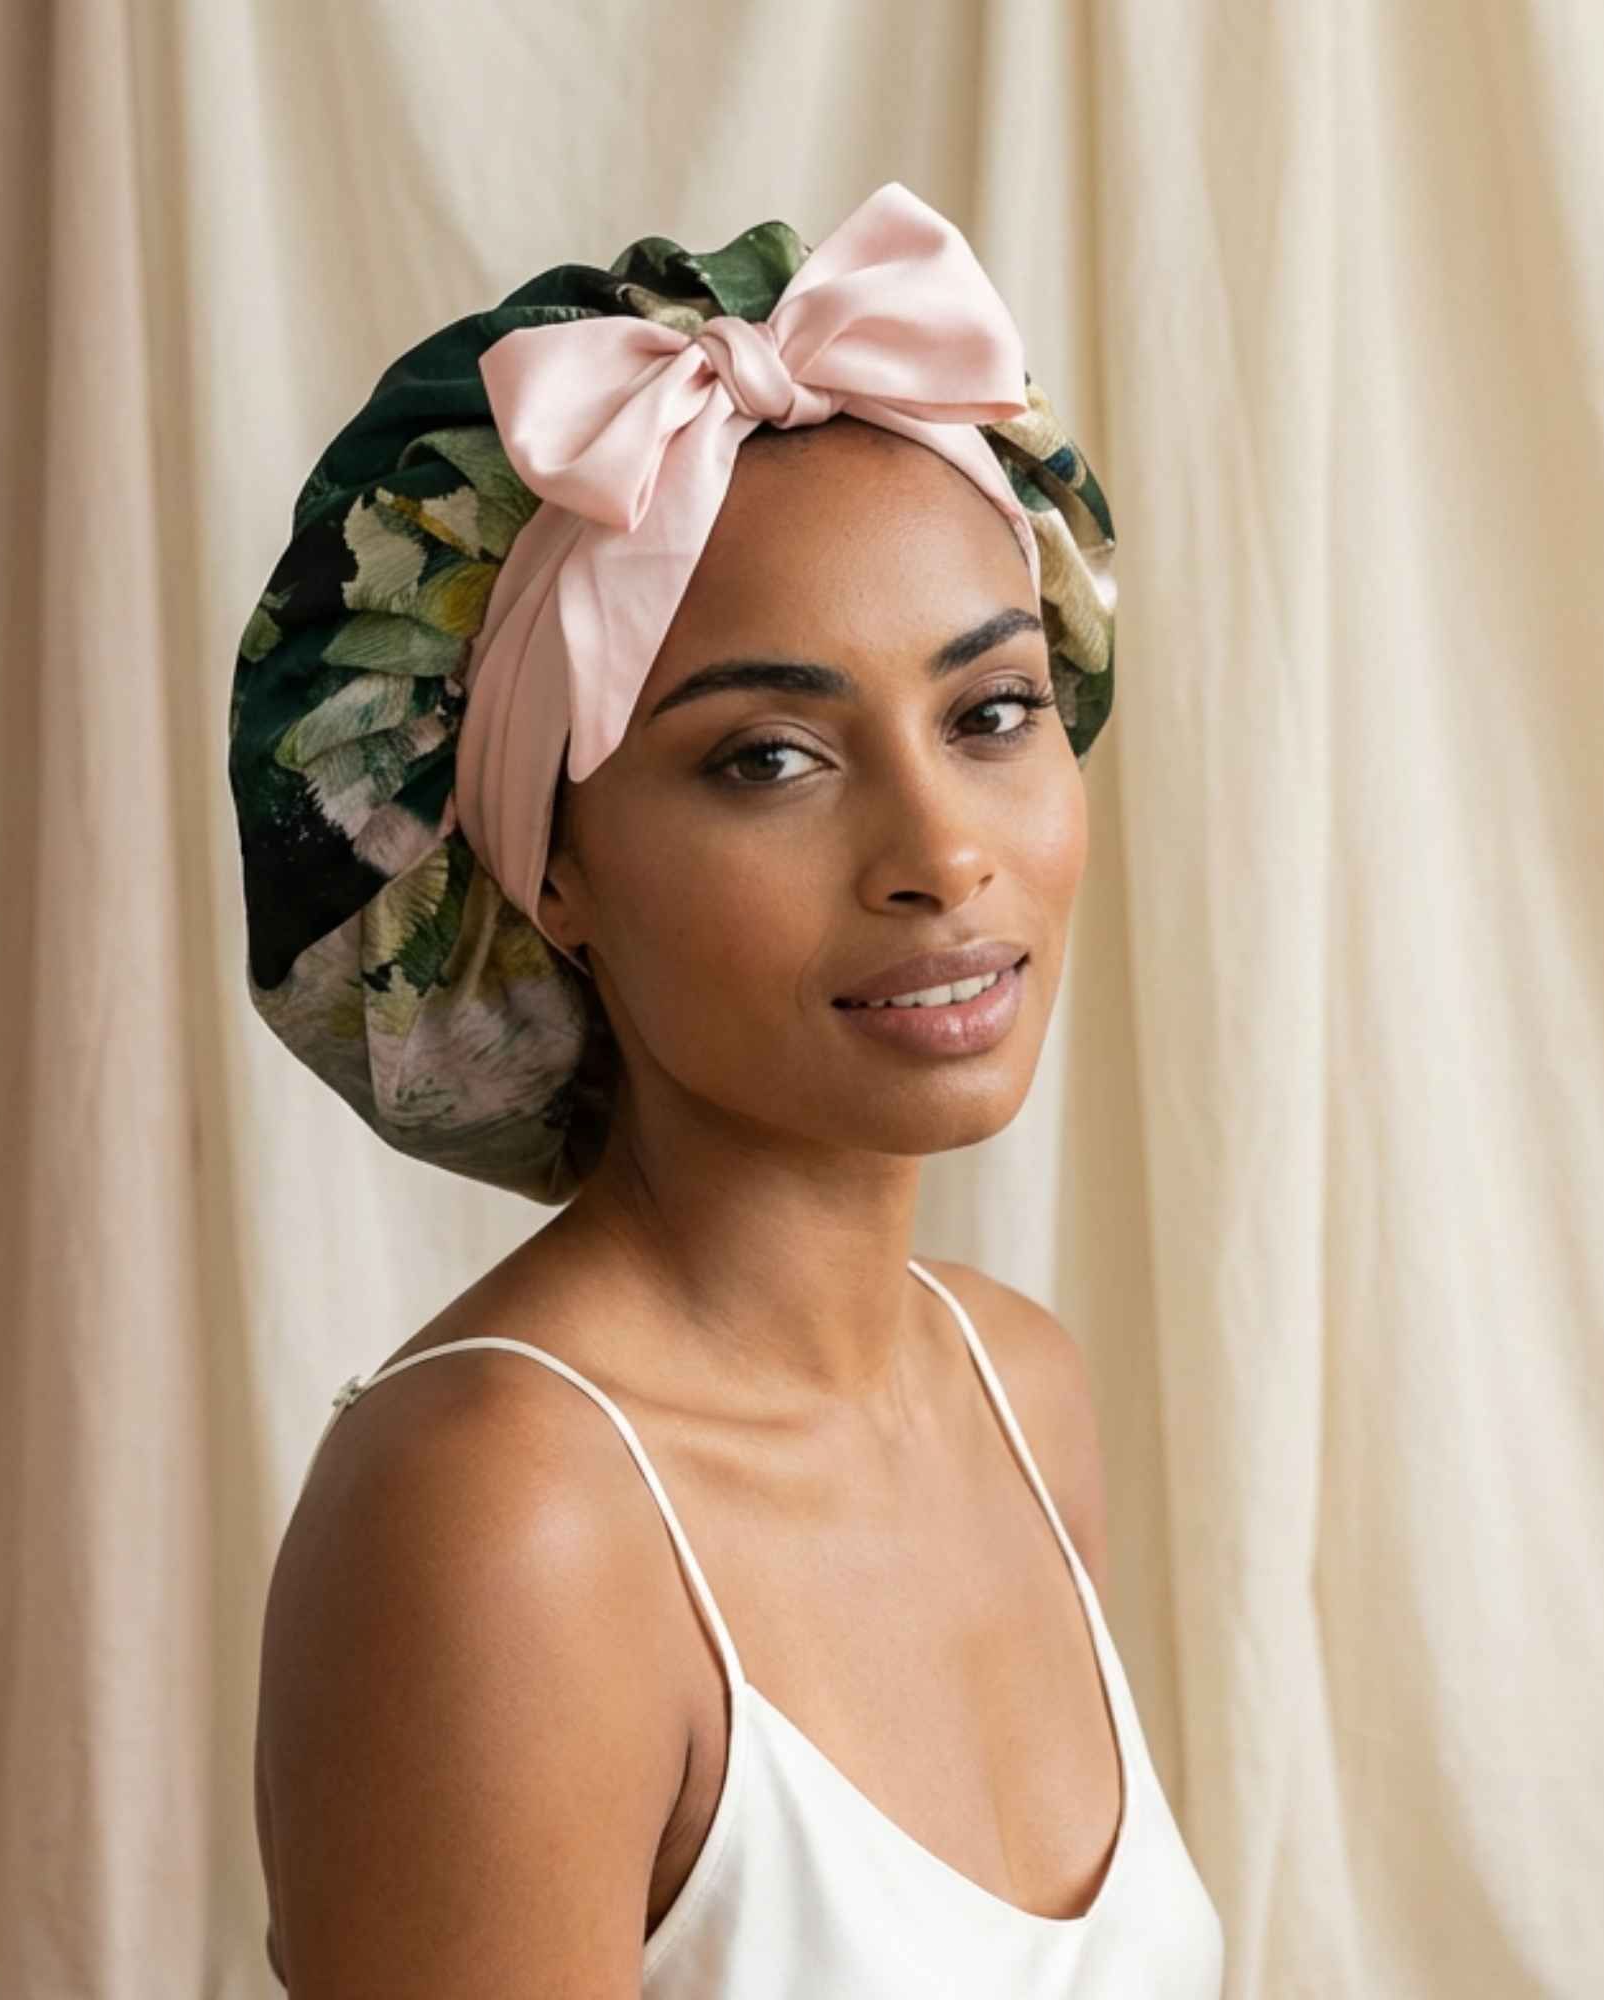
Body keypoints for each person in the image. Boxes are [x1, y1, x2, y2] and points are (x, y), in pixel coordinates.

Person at [229, 182, 1224, 1997]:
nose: (941, 853)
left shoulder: (1019, 1386)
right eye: (768, 757)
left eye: (991, 713)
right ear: (549, 869)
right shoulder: (499, 1520)